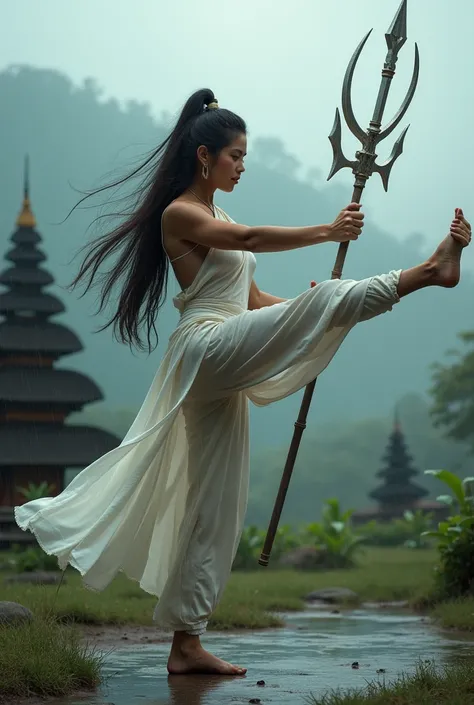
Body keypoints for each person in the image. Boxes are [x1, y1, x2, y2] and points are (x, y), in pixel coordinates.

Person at [14, 88, 471, 678]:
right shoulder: (181, 214)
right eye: (236, 155)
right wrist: (327, 235)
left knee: (217, 503)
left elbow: (252, 299)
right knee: (329, 301)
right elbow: (252, 243)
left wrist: (303, 314)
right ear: (204, 157)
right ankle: (431, 271)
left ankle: (186, 644)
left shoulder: (220, 216)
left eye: (245, 155)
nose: (243, 164)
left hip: (229, 349)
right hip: (205, 349)